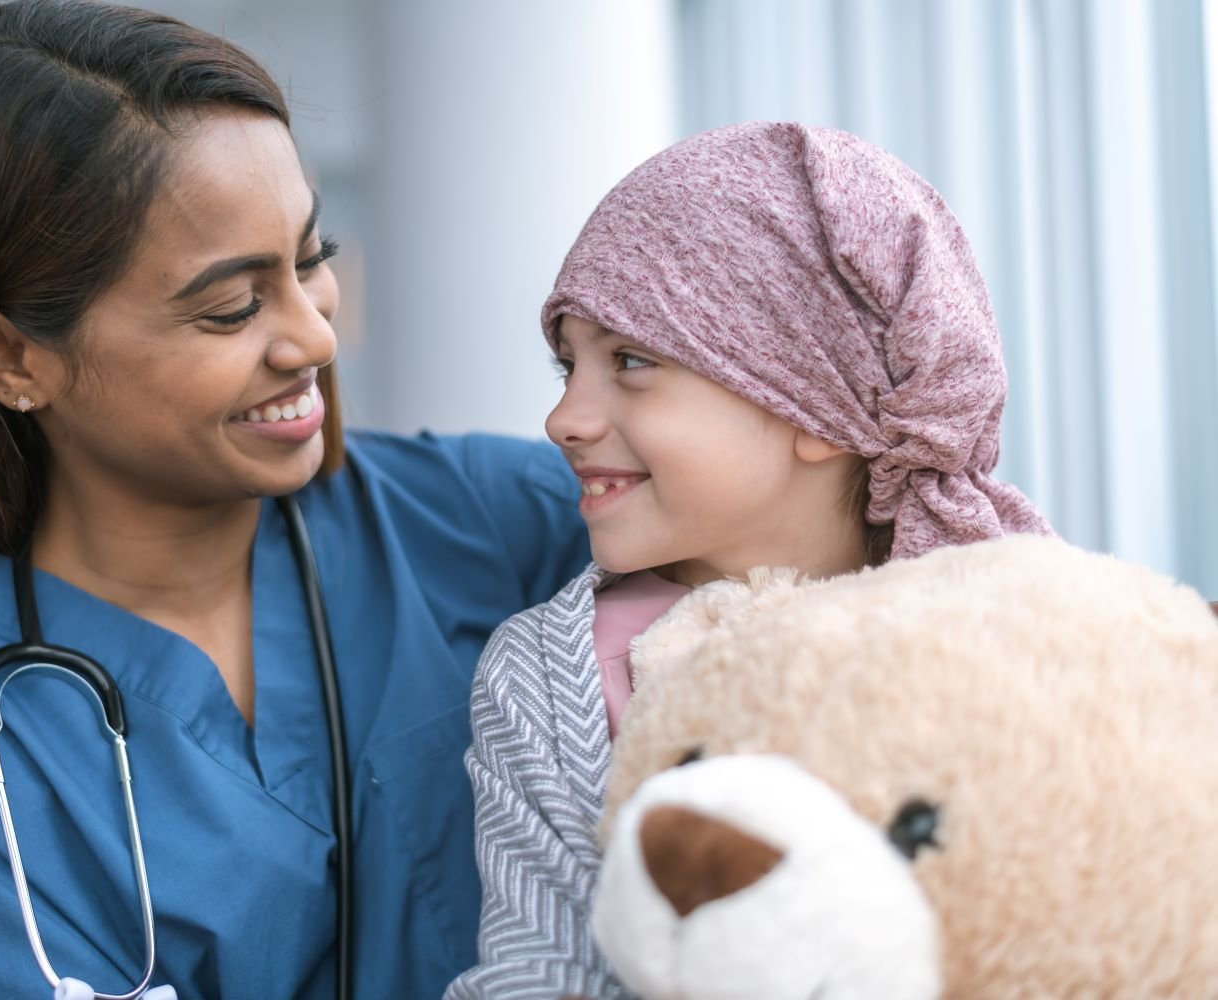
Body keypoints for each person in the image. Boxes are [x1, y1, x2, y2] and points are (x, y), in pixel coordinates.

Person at [0, 2, 590, 997]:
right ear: (12, 355)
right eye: (232, 306)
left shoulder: (487, 521)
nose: (315, 339)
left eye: (311, 260)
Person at [444, 121, 1052, 998]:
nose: (566, 418)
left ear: (815, 404)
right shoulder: (550, 676)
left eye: (629, 360)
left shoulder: (1014, 612)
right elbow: (542, 976)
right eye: (565, 366)